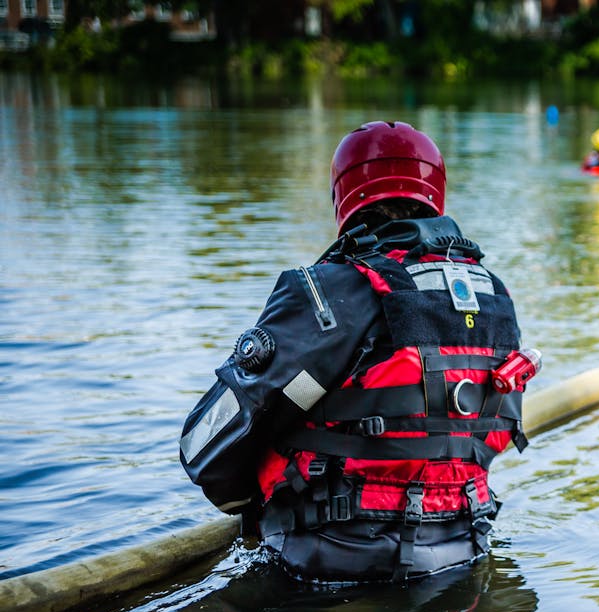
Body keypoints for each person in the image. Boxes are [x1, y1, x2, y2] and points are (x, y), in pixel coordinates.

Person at [179, 121, 540, 585]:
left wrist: (253, 505)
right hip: (464, 552)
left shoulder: (327, 291)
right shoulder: (493, 297)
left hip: (328, 566)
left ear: (345, 197)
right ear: (436, 192)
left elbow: (205, 449)